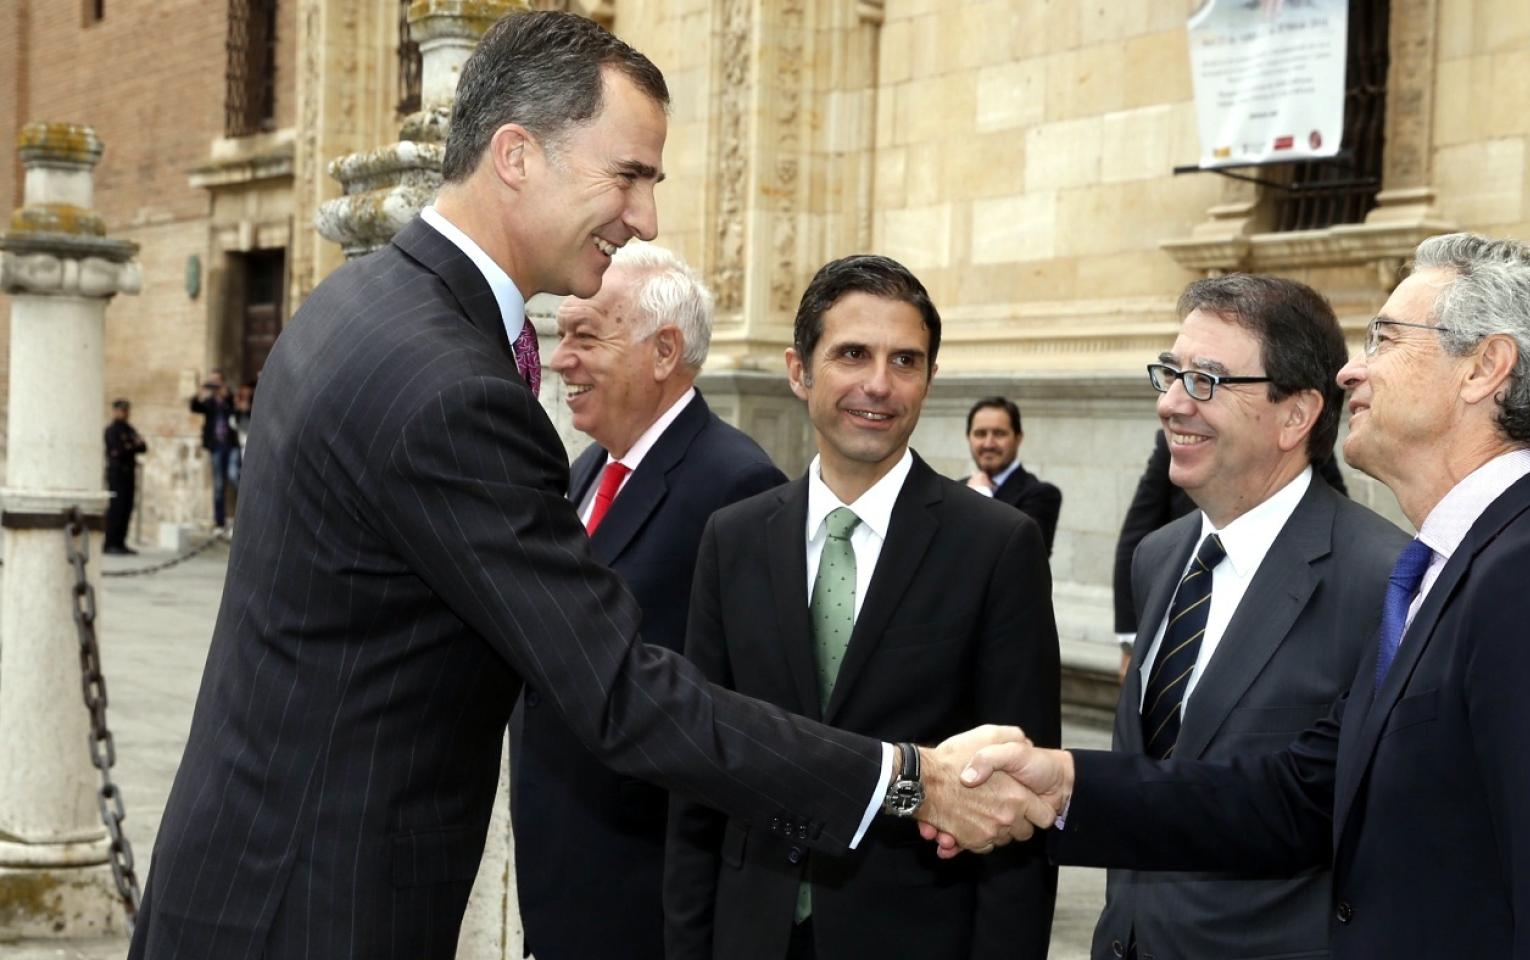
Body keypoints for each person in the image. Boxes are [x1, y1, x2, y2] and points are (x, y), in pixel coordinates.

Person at [128, 14, 1046, 960]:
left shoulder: (362, 304)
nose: (645, 217)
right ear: (517, 156)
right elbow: (621, 692)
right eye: (629, 175)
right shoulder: (452, 388)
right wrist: (905, 779)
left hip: (253, 880)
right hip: (312, 908)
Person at [951, 234, 1530, 959]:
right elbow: (1299, 797)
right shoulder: (1455, 566)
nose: (1351, 370)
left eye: (1384, 338)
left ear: (1485, 368)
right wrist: (1066, 782)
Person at [664, 255, 1060, 960]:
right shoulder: (733, 540)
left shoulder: (997, 547)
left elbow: (1017, 808)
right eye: (852, 354)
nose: (879, 384)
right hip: (750, 931)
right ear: (799, 371)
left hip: (915, 937)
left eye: (905, 360)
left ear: (930, 379)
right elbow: (699, 772)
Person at [1095, 275, 1406, 960]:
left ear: (1295, 416)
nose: (1172, 403)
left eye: (1206, 380)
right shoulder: (1159, 557)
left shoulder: (1385, 581)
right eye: (1170, 373)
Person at [509, 241, 788, 960]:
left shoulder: (735, 486)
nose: (562, 359)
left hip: (647, 899)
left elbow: (739, 713)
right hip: (566, 875)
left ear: (664, 352)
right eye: (560, 334)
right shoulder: (588, 468)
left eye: (584, 336)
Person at [1111, 430, 1349, 681]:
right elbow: (1135, 537)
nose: (1171, 405)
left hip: (1276, 606)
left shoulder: (1305, 445)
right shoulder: (1177, 442)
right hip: (1189, 611)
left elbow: (1336, 524)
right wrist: (1130, 640)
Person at [962, 397, 1062, 554]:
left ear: (1018, 438)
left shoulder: (1041, 495)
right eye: (980, 434)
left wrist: (982, 496)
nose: (988, 443)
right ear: (968, 438)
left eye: (999, 434)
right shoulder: (955, 489)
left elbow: (1027, 554)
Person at [188, 368, 238, 528]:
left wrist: (224, 396)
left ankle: (244, 513)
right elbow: (195, 407)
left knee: (234, 476)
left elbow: (238, 410)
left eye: (217, 381)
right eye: (212, 381)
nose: (214, 384)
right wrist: (200, 392)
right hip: (216, 446)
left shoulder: (228, 398)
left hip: (231, 444)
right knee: (218, 484)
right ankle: (219, 520)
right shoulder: (209, 402)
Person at [103, 398, 147, 555]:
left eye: (126, 410)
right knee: (116, 507)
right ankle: (110, 542)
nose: (124, 413)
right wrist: (131, 446)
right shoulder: (112, 430)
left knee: (127, 507)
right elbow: (117, 451)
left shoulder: (129, 429)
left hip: (129, 472)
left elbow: (142, 446)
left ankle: (120, 542)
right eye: (121, 410)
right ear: (115, 411)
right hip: (117, 473)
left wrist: (131, 446)